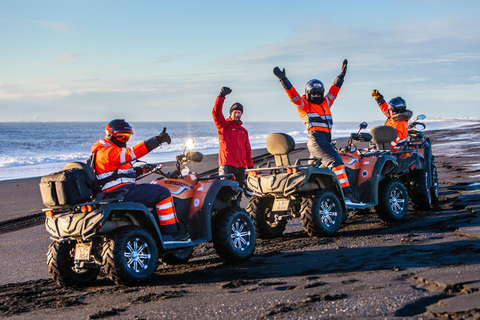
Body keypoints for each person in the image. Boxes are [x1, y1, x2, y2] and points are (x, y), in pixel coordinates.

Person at [90, 119, 189, 241]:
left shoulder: (102, 152)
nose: (125, 141)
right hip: (120, 192)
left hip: (114, 192)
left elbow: (117, 173)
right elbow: (132, 153)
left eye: (128, 137)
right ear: (110, 135)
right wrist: (157, 140)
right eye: (122, 137)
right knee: (163, 193)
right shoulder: (109, 152)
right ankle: (172, 233)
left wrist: (140, 171)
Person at [273, 60, 357, 202]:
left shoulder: (326, 103)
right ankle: (346, 195)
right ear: (308, 93)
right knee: (336, 162)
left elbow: (335, 90)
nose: (317, 96)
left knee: (314, 169)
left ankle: (323, 194)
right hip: (316, 139)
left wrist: (341, 76)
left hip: (324, 140)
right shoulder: (305, 105)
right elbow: (293, 96)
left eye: (319, 94)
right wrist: (284, 80)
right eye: (314, 94)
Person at [212, 87, 253, 194]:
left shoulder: (244, 131)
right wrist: (221, 96)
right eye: (235, 112)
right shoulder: (224, 126)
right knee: (226, 193)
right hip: (227, 165)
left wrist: (251, 168)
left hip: (241, 167)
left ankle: (237, 210)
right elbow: (216, 113)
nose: (237, 114)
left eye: (239, 112)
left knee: (238, 193)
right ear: (231, 113)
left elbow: (248, 151)